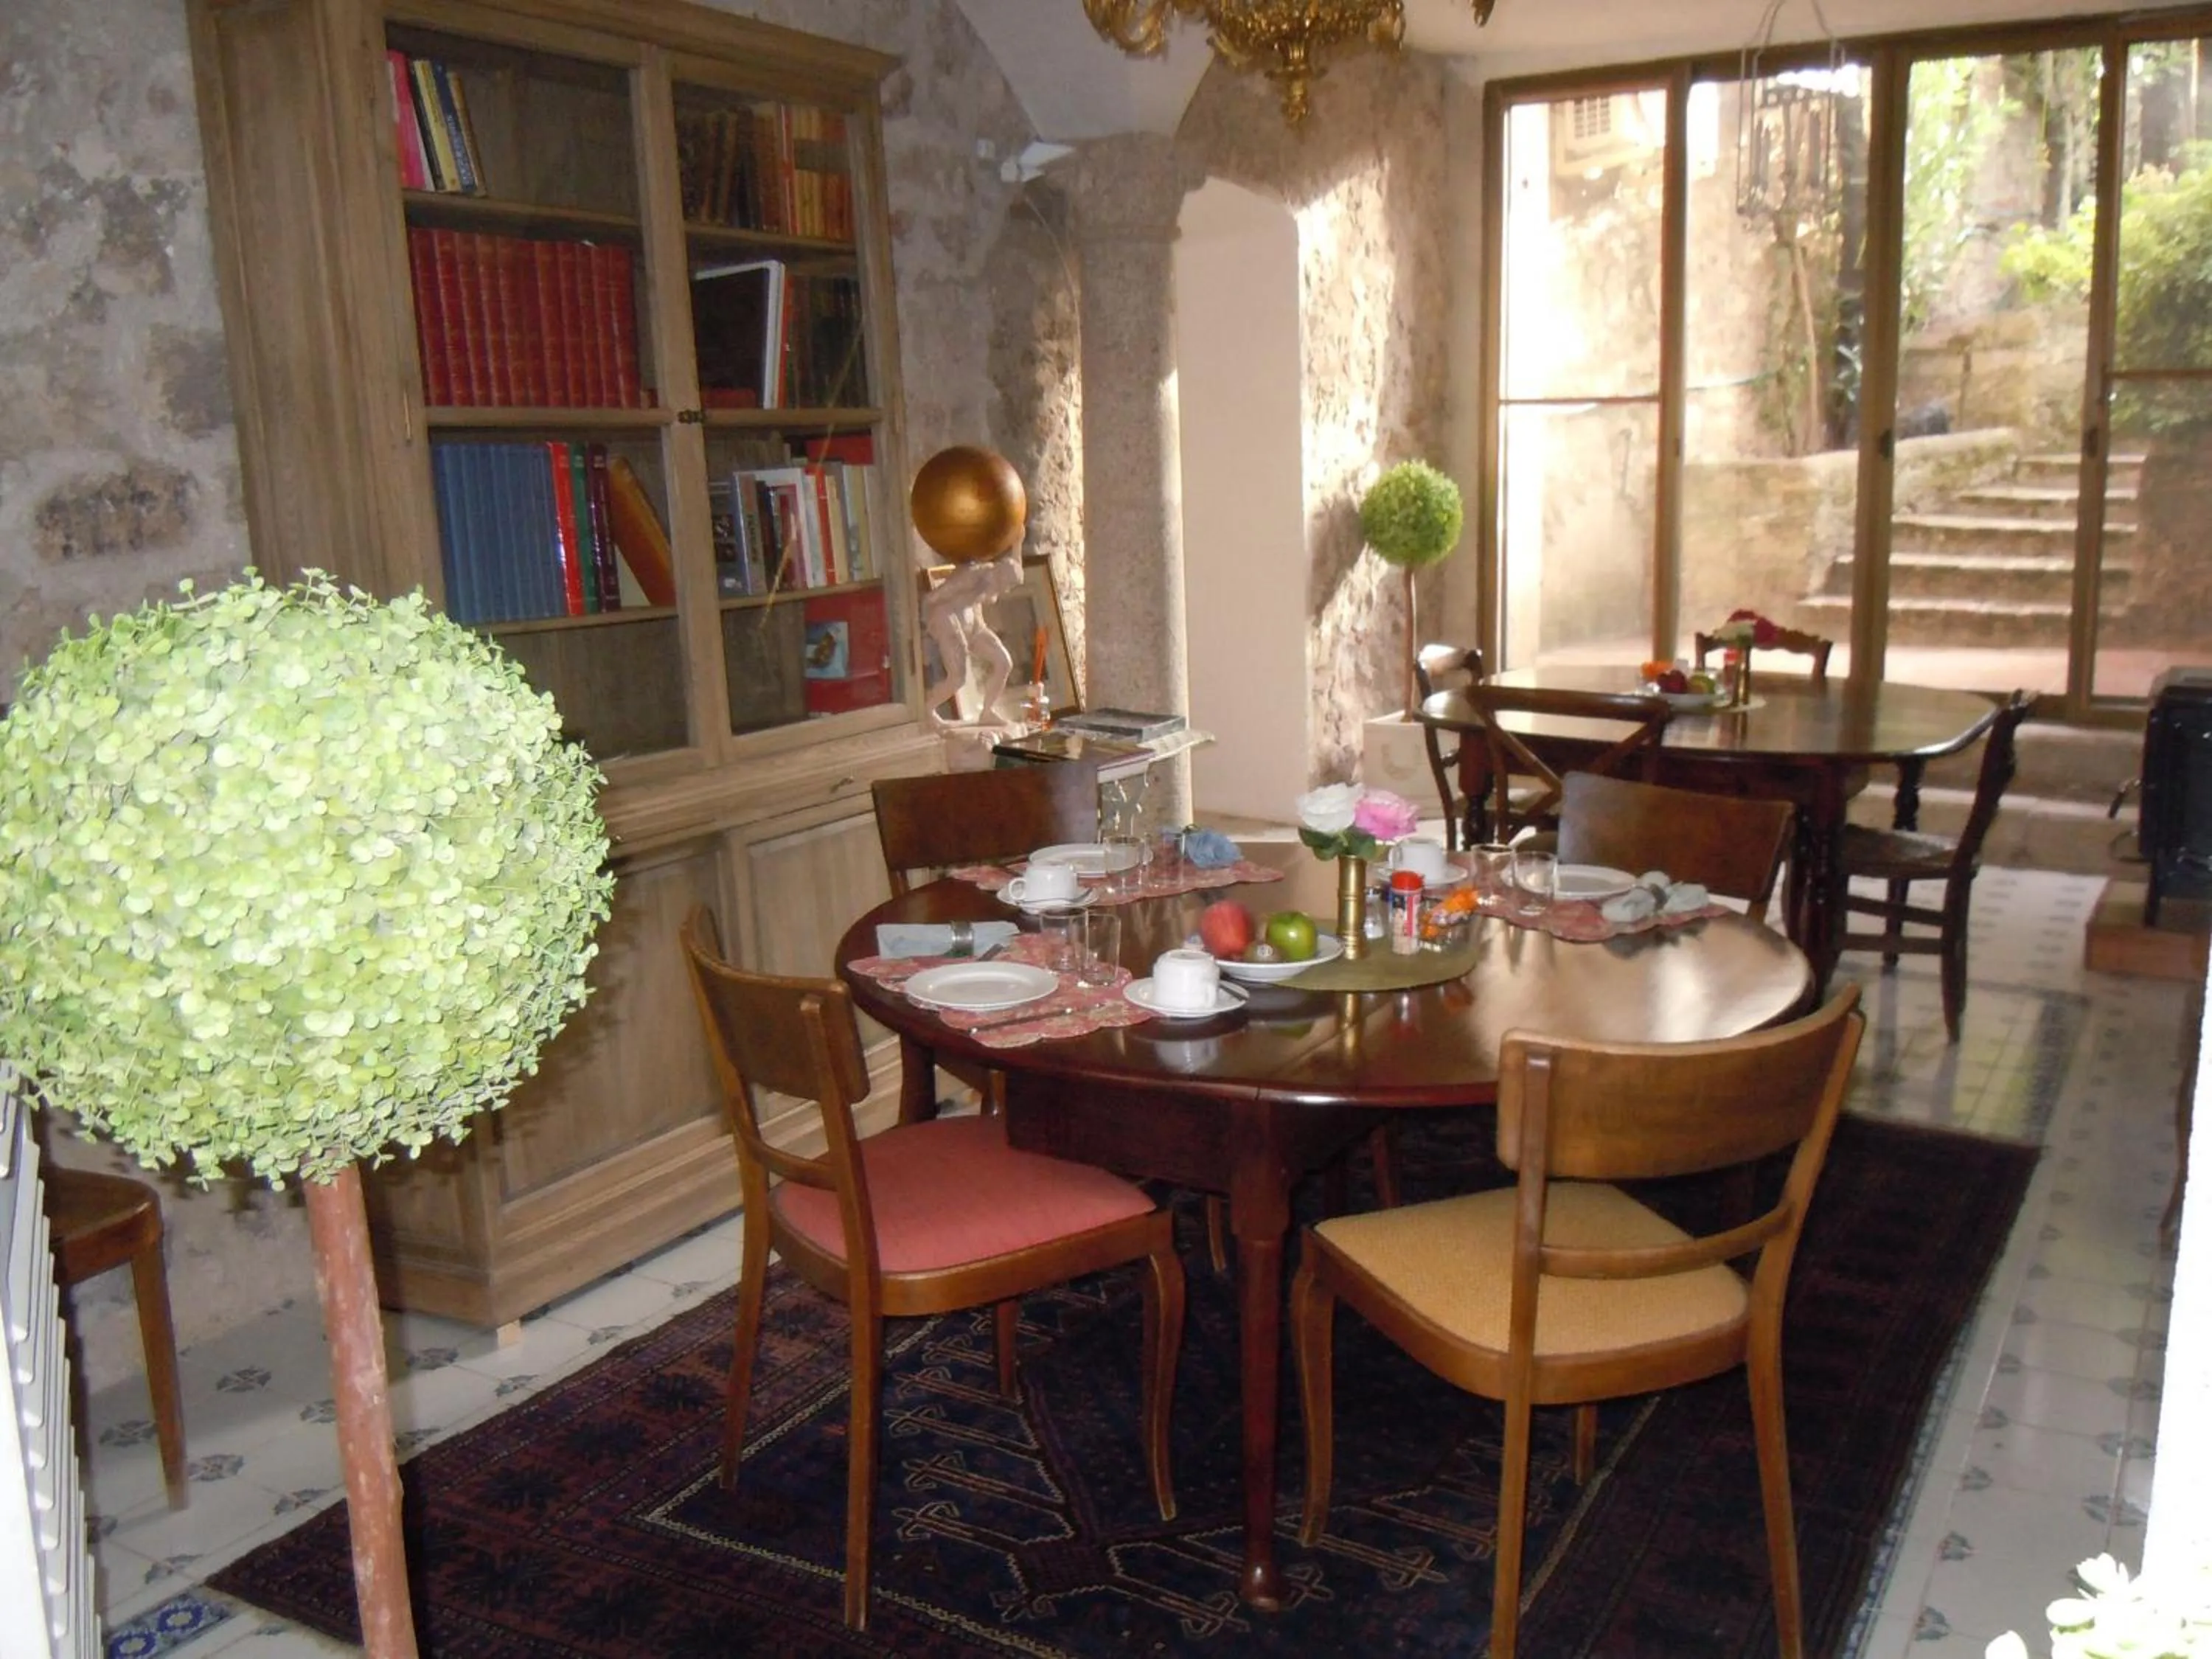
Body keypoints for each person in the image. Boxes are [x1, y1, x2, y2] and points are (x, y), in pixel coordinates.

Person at [919, 536, 1024, 727]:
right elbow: (933, 599)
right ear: (1000, 574)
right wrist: (934, 627)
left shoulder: (995, 577)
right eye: (1005, 586)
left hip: (975, 626)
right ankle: (928, 710)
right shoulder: (972, 576)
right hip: (951, 622)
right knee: (957, 679)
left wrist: (1017, 545)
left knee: (1004, 662)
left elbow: (1014, 569)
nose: (1005, 591)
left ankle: (987, 712)